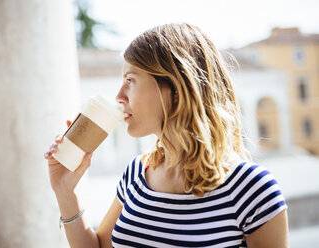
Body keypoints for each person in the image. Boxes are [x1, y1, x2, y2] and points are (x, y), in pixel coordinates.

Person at [44, 23, 289, 248]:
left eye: (130, 80)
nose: (119, 96)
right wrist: (65, 191)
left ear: (176, 90)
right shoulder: (137, 174)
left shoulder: (253, 190)